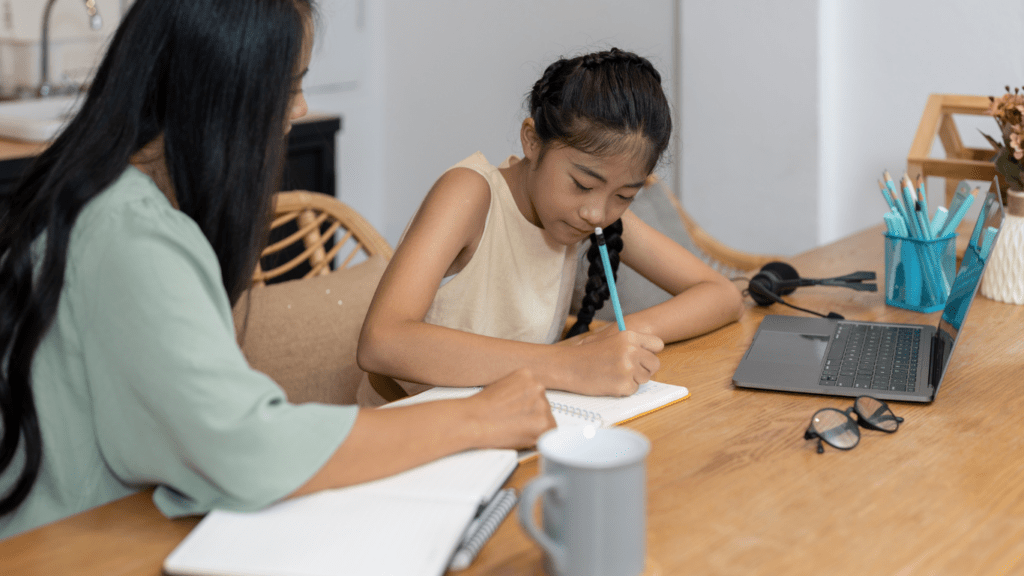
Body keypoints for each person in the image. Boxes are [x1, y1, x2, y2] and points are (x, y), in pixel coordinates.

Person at [0, 0, 554, 540]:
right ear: (219, 88)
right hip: (64, 545)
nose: (299, 110)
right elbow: (247, 447)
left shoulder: (94, 194)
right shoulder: (130, 235)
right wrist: (477, 418)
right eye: (290, 85)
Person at [357, 48, 745, 405]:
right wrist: (566, 364)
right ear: (532, 141)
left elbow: (720, 295)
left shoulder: (595, 213)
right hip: (410, 427)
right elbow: (382, 341)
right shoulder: (471, 194)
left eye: (624, 195)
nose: (597, 213)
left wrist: (614, 338)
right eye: (582, 184)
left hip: (508, 422)